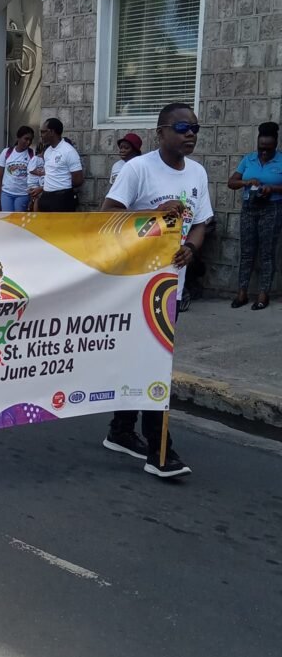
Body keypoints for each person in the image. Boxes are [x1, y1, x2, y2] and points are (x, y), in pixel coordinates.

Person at [101, 102, 213, 479]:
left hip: (172, 287)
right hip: (136, 285)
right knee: (154, 364)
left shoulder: (197, 173)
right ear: (160, 132)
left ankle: (120, 431)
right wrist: (151, 217)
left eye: (195, 128)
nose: (190, 134)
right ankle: (160, 450)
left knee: (143, 360)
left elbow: (201, 222)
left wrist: (192, 248)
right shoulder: (137, 170)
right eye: (182, 127)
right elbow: (106, 219)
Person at [227, 121, 282, 311]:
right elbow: (231, 182)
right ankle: (242, 293)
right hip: (249, 208)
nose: (264, 152)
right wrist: (246, 182)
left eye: (268, 149)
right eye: (261, 148)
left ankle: (263, 294)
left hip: (272, 209)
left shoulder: (281, 160)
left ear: (275, 146)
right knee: (247, 252)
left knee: (267, 253)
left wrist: (272, 188)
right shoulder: (248, 159)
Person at [32, 118, 83, 212]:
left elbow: (78, 180)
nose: (41, 135)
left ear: (51, 132)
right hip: (46, 197)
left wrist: (61, 186)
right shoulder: (47, 151)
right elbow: (51, 175)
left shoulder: (69, 151)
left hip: (62, 199)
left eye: (43, 132)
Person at [0, 126, 34, 212]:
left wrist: (32, 199)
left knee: (18, 221)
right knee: (7, 220)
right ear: (18, 137)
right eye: (26, 139)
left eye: (30, 140)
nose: (28, 142)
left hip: (23, 195)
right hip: (6, 194)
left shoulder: (32, 155)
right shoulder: (6, 152)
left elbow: (34, 177)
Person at [26, 140, 45, 209]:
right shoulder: (35, 159)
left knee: (37, 198)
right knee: (36, 198)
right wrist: (42, 173)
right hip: (33, 182)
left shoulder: (44, 160)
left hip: (39, 183)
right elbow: (31, 170)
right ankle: (34, 213)